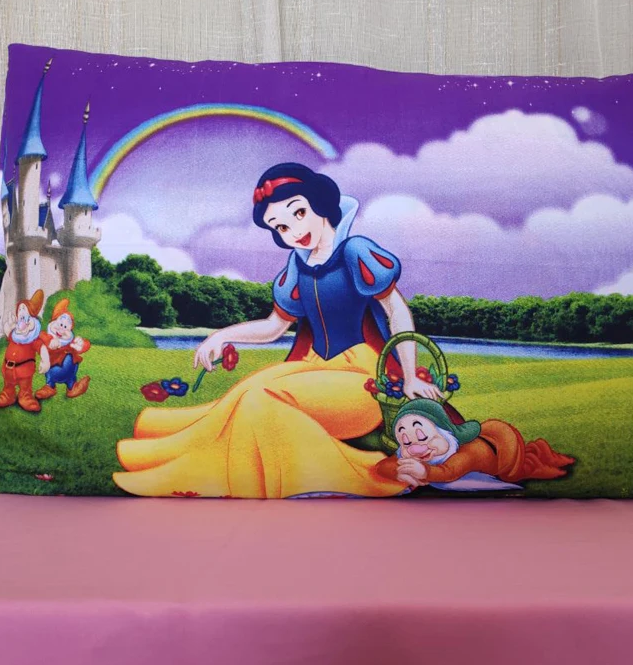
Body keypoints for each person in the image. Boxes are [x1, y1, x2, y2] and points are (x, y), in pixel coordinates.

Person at [114, 163, 441, 498]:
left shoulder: (355, 251)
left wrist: (410, 377)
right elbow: (274, 327)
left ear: (320, 203)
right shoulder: (298, 265)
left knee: (259, 400)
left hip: (361, 378)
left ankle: (192, 475)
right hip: (313, 366)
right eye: (281, 226)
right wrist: (222, 335)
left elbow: (396, 310)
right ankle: (158, 444)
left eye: (299, 213)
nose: (293, 230)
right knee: (246, 390)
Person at [375, 399, 574, 490]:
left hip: (501, 448)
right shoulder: (410, 452)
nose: (416, 448)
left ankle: (544, 456)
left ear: (443, 432)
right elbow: (383, 466)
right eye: (406, 442)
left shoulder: (466, 453)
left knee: (519, 469)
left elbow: (449, 472)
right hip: (486, 442)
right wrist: (398, 471)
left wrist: (425, 472)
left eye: (423, 437)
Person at [0, 289, 50, 413]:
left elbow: (41, 347)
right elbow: (8, 334)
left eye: (24, 309)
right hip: (8, 368)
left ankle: (25, 397)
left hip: (24, 369)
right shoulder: (15, 334)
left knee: (25, 386)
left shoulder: (32, 337)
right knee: (8, 385)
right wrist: (8, 327)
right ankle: (8, 395)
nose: (21, 311)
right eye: (19, 309)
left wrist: (45, 361)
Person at [35, 298, 91, 400]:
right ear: (52, 322)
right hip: (51, 369)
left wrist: (81, 344)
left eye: (65, 327)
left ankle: (72, 387)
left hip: (69, 372)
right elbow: (40, 338)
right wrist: (50, 341)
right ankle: (49, 387)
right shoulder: (46, 336)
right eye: (60, 324)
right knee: (50, 376)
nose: (61, 329)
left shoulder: (70, 342)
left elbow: (85, 345)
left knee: (70, 375)